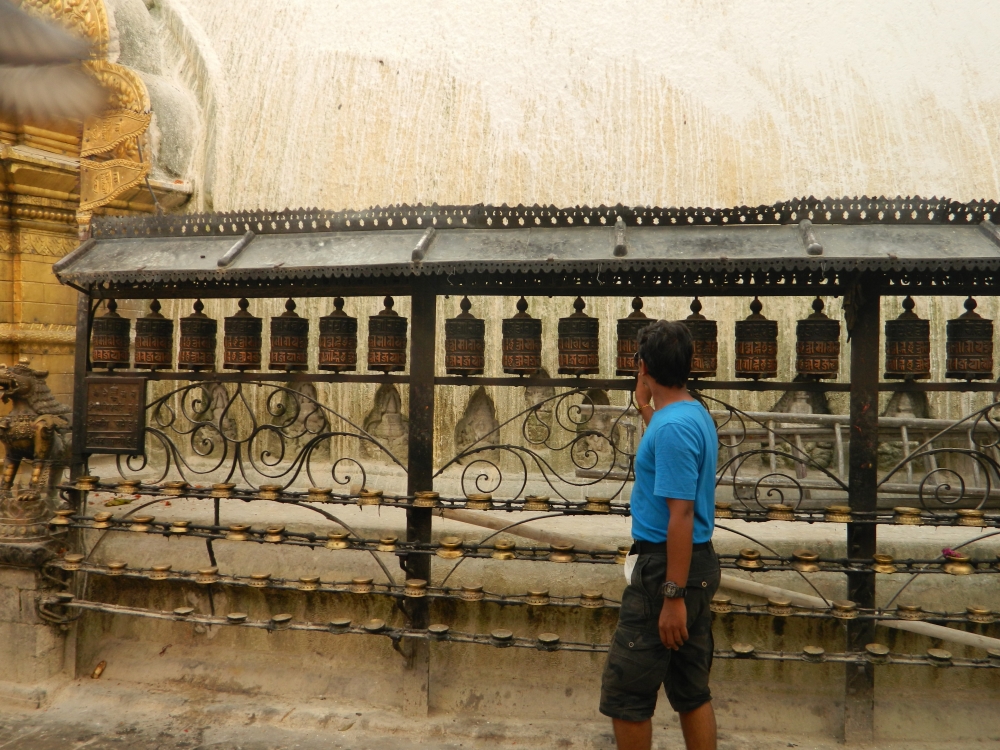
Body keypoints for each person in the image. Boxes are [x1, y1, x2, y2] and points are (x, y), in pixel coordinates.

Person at [599, 320, 720, 750]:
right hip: (694, 561)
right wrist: (645, 408)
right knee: (691, 691)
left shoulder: (672, 428)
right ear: (689, 366)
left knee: (626, 695)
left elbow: (681, 513)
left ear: (643, 365)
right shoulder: (690, 414)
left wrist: (672, 595)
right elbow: (671, 457)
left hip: (665, 570)